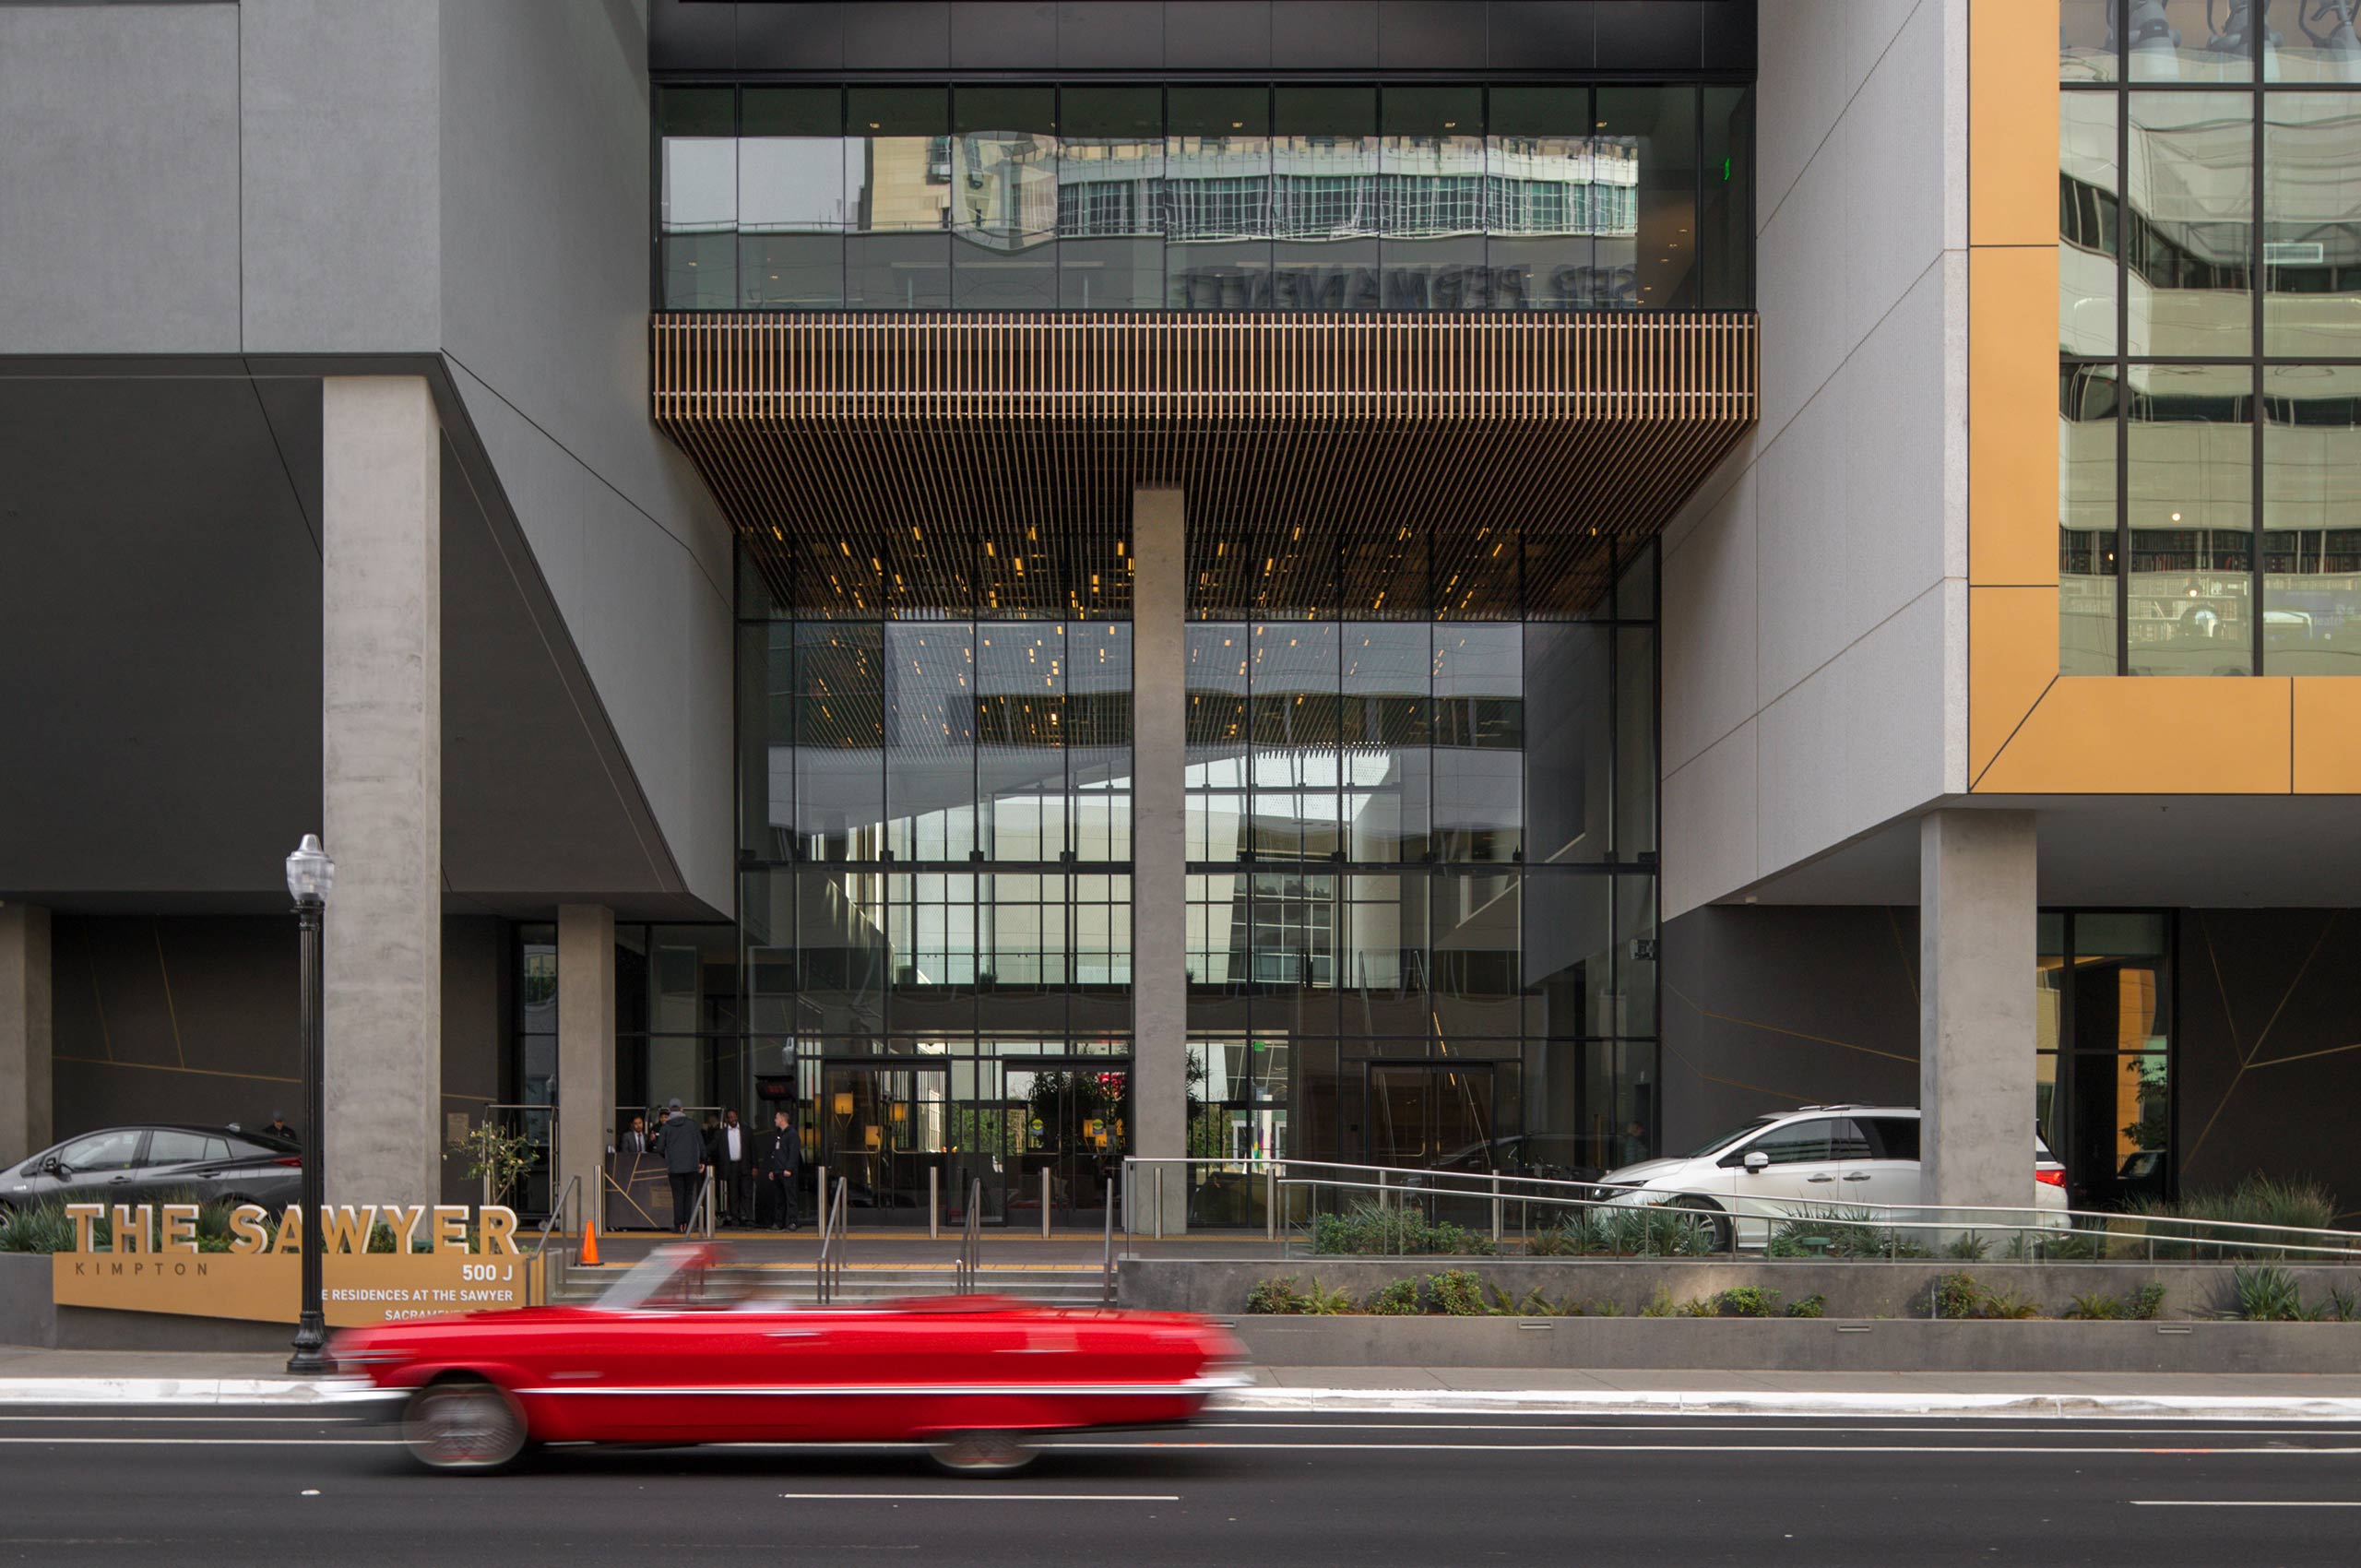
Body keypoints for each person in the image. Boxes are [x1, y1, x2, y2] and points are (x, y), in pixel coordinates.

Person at [655, 1099, 706, 1233]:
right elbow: (701, 1144)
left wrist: (668, 1157)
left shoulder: (666, 1127)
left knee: (677, 1196)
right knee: (689, 1195)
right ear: (682, 1110)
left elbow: (659, 1148)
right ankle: (689, 1225)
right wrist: (701, 1160)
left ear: (670, 1110)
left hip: (674, 1167)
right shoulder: (692, 1125)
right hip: (691, 1166)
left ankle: (678, 1226)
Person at [759, 1108, 801, 1231]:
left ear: (782, 1119)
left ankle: (793, 1221)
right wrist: (773, 1170)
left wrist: (789, 1168)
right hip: (778, 1171)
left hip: (787, 1172)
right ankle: (779, 1222)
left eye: (776, 1118)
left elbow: (793, 1154)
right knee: (780, 1199)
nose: (775, 1120)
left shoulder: (792, 1134)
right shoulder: (779, 1134)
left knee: (790, 1198)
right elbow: (777, 1154)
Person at [715, 1109, 753, 1227]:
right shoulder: (722, 1133)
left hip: (744, 1164)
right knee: (733, 1194)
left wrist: (755, 1166)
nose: (733, 1120)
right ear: (727, 1119)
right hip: (731, 1166)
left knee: (746, 1192)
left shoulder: (746, 1130)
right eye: (730, 1117)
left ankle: (747, 1217)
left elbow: (753, 1149)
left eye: (735, 1117)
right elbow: (714, 1147)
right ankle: (735, 1217)